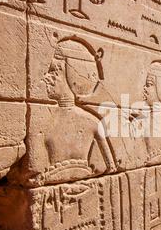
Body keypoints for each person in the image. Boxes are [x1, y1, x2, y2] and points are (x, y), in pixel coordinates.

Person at [27, 39, 116, 187]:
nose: (47, 77)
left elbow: (36, 176)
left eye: (53, 71)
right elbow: (109, 166)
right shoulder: (92, 122)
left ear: (72, 77)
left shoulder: (41, 127)